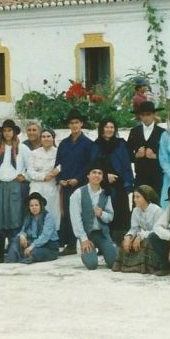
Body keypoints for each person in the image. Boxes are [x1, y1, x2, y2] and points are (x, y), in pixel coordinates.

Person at [56, 109, 96, 254]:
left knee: (84, 214)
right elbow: (58, 164)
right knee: (67, 213)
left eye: (76, 122)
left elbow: (89, 165)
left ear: (81, 124)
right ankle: (71, 245)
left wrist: (78, 179)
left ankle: (89, 243)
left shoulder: (88, 144)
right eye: (71, 123)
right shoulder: (63, 144)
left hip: (81, 184)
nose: (74, 125)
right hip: (66, 184)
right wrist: (60, 179)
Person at [69, 161, 118, 270]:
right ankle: (88, 254)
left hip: (102, 234)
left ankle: (111, 249)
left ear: (102, 176)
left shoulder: (106, 193)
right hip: (86, 234)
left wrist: (101, 214)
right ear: (88, 175)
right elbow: (75, 218)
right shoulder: (78, 193)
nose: (97, 175)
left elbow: (110, 217)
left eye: (100, 173)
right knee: (92, 265)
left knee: (114, 263)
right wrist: (83, 239)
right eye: (94, 172)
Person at [0, 119, 28, 262]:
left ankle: (15, 251)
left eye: (9, 130)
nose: (7, 133)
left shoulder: (22, 149)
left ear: (14, 132)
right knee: (1, 215)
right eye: (5, 131)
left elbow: (29, 165)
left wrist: (24, 175)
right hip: (1, 185)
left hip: (15, 185)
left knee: (15, 215)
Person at [93, 117, 134, 242]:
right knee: (104, 211)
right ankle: (105, 242)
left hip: (119, 184)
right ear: (102, 129)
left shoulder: (121, 143)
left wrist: (128, 182)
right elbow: (93, 164)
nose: (109, 130)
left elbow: (126, 163)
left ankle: (121, 240)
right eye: (106, 127)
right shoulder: (96, 145)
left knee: (121, 212)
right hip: (103, 183)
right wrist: (105, 176)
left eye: (112, 127)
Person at [115, 185, 164, 273]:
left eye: (138, 197)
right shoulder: (135, 210)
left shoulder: (157, 211)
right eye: (134, 197)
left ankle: (146, 266)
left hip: (157, 238)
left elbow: (158, 231)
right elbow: (134, 228)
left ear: (146, 197)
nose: (134, 200)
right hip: (142, 235)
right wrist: (128, 237)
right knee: (125, 242)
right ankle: (131, 265)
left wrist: (140, 236)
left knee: (146, 242)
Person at [8, 192, 59, 264]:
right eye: (31, 206)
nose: (34, 207)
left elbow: (45, 236)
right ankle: (11, 262)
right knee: (17, 239)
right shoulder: (28, 217)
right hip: (33, 243)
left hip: (49, 247)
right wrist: (22, 235)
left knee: (33, 252)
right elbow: (23, 230)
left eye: (36, 205)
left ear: (41, 205)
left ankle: (26, 258)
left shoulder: (48, 216)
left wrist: (31, 247)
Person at [126, 101, 165, 197]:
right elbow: (127, 153)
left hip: (157, 176)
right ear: (140, 116)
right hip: (140, 176)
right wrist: (136, 156)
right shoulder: (134, 132)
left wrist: (156, 156)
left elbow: (168, 155)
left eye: (148, 114)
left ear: (154, 115)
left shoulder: (162, 133)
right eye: (143, 115)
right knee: (138, 204)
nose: (146, 117)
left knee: (157, 205)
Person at [26, 127, 60, 228]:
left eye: (48, 136)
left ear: (53, 138)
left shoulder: (58, 152)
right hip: (37, 187)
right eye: (43, 136)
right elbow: (30, 172)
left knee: (52, 213)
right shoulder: (34, 153)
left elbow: (63, 165)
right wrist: (44, 177)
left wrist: (55, 172)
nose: (46, 139)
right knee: (36, 212)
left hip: (52, 187)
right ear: (40, 138)